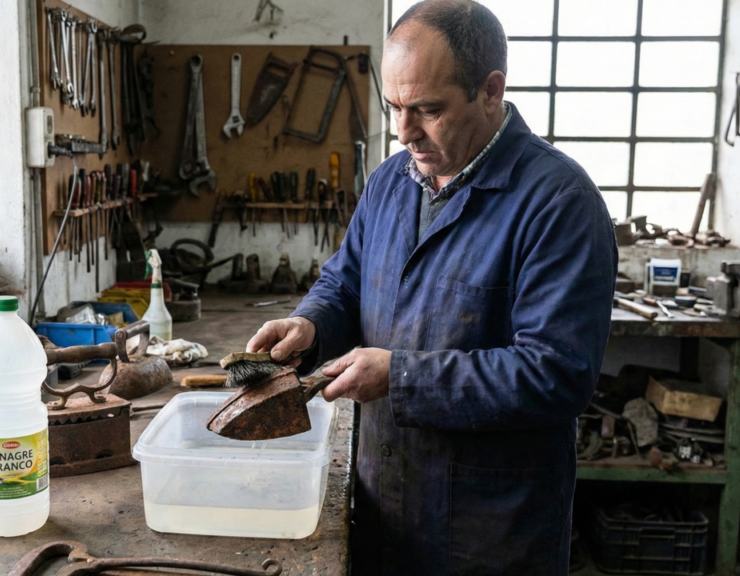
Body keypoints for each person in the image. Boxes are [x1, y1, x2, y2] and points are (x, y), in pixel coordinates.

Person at [246, 1, 618, 573]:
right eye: (394, 106)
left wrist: (400, 376)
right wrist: (311, 324)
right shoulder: (391, 183)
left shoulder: (559, 203)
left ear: (490, 91)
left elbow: (556, 374)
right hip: (382, 502)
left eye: (427, 109)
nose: (403, 132)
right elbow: (344, 283)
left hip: (490, 532)